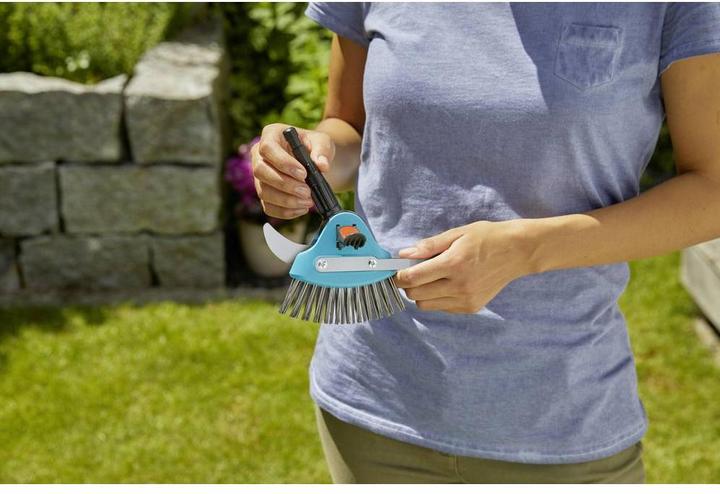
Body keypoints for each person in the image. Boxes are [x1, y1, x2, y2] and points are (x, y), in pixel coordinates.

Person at [250, 2, 720, 484]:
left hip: (561, 421)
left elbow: (711, 190)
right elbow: (349, 128)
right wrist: (312, 160)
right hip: (374, 404)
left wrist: (526, 250)